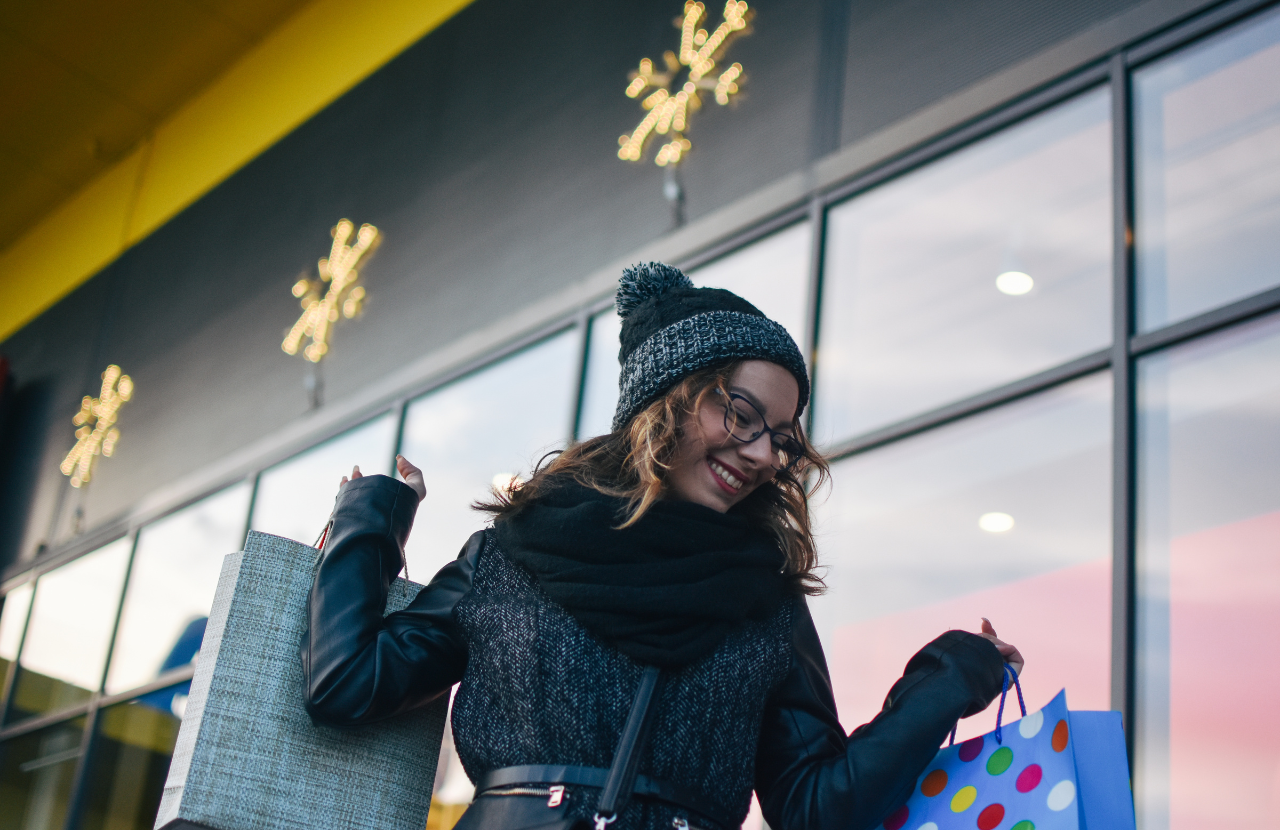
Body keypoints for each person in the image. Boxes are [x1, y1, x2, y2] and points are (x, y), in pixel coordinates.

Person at [303, 262, 1024, 830]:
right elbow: (347, 686)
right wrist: (373, 521)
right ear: (669, 399)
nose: (763, 453)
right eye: (740, 414)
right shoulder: (509, 557)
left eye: (780, 437)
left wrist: (950, 677)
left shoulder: (765, 604)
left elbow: (816, 807)